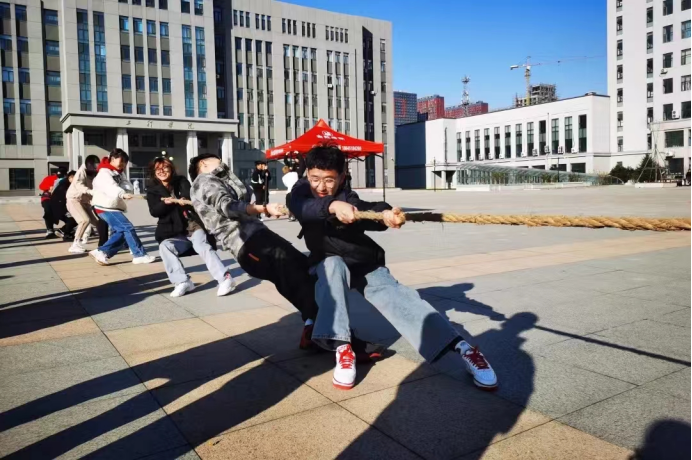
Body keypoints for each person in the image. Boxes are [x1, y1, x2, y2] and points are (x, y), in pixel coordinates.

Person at [289, 145, 498, 391]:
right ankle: (343, 348)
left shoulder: (347, 197)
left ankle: (463, 348)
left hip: (361, 262)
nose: (321, 186)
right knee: (331, 266)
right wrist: (333, 206)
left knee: (400, 298)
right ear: (307, 175)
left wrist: (386, 214)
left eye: (329, 180)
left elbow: (367, 208)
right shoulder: (300, 193)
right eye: (315, 178)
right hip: (327, 263)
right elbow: (301, 206)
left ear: (342, 177)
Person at [189, 154, 384, 358]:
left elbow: (241, 196)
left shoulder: (215, 180)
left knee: (300, 278)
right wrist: (263, 208)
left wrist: (229, 177)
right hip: (250, 243)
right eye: (217, 160)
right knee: (300, 279)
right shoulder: (204, 181)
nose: (222, 162)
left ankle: (315, 330)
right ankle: (341, 341)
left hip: (257, 239)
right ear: (203, 163)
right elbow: (227, 206)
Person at [146, 157, 236, 298]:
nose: (162, 171)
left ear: (171, 169)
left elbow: (190, 196)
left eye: (165, 168)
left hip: (193, 225)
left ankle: (225, 278)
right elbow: (154, 211)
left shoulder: (181, 181)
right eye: (158, 169)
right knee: (165, 247)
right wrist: (165, 204)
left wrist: (183, 200)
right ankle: (182, 282)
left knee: (201, 245)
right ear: (154, 172)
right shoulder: (152, 190)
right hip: (174, 230)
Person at [89, 149, 156, 266]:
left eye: (125, 162)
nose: (123, 164)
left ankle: (102, 252)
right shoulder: (104, 172)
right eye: (121, 161)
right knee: (127, 227)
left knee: (122, 232)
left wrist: (128, 191)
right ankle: (139, 255)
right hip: (104, 206)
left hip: (111, 206)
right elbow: (110, 187)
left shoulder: (118, 172)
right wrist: (122, 194)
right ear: (113, 159)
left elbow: (125, 183)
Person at [66, 155, 101, 254]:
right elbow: (79, 185)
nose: (94, 169)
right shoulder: (81, 172)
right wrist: (90, 191)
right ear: (88, 165)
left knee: (98, 222)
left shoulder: (95, 173)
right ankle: (75, 244)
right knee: (84, 220)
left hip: (85, 201)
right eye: (93, 166)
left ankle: (104, 241)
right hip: (74, 199)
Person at [49, 171, 79, 242]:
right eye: (74, 178)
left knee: (74, 220)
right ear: (70, 177)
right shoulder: (65, 185)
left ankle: (64, 231)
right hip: (59, 206)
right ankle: (65, 233)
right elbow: (65, 197)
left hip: (60, 205)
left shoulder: (66, 183)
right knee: (73, 219)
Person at [39, 169, 65, 239]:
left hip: (59, 200)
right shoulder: (49, 178)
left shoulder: (65, 179)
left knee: (63, 213)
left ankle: (68, 228)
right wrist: (49, 187)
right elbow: (41, 186)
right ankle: (49, 229)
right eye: (58, 174)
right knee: (48, 211)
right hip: (47, 198)